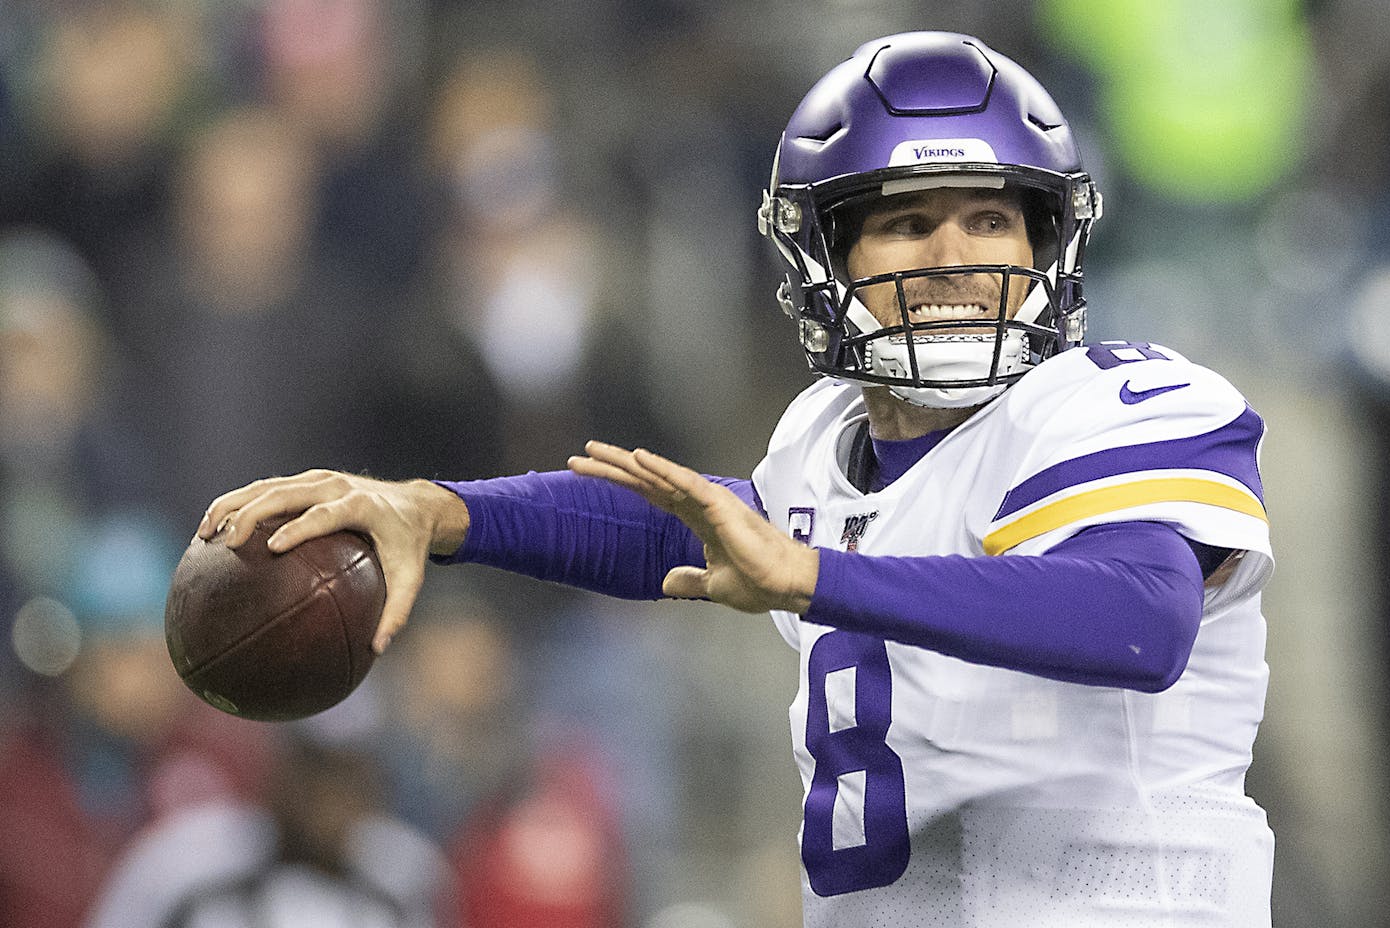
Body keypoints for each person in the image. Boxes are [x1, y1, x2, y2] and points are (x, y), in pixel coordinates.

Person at [197, 31, 1275, 926]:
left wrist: (814, 575)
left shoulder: (1112, 404)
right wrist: (438, 510)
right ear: (823, 258)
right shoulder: (821, 441)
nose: (955, 252)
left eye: (991, 217)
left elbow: (1135, 619)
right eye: (907, 220)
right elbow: (674, 527)